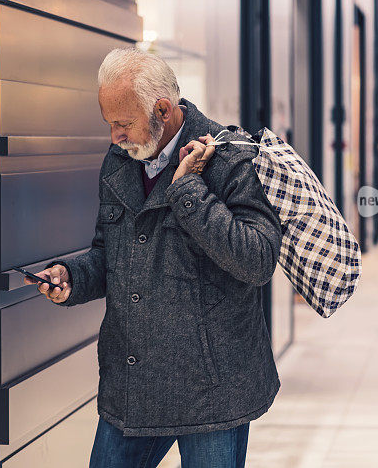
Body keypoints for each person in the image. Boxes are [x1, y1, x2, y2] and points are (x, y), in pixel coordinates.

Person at [26, 48, 282, 467]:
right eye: (109, 124)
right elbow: (109, 254)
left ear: (163, 109)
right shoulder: (120, 160)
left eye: (123, 124)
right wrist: (73, 277)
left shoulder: (231, 157)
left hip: (211, 392)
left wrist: (188, 193)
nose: (114, 137)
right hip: (133, 382)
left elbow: (257, 260)